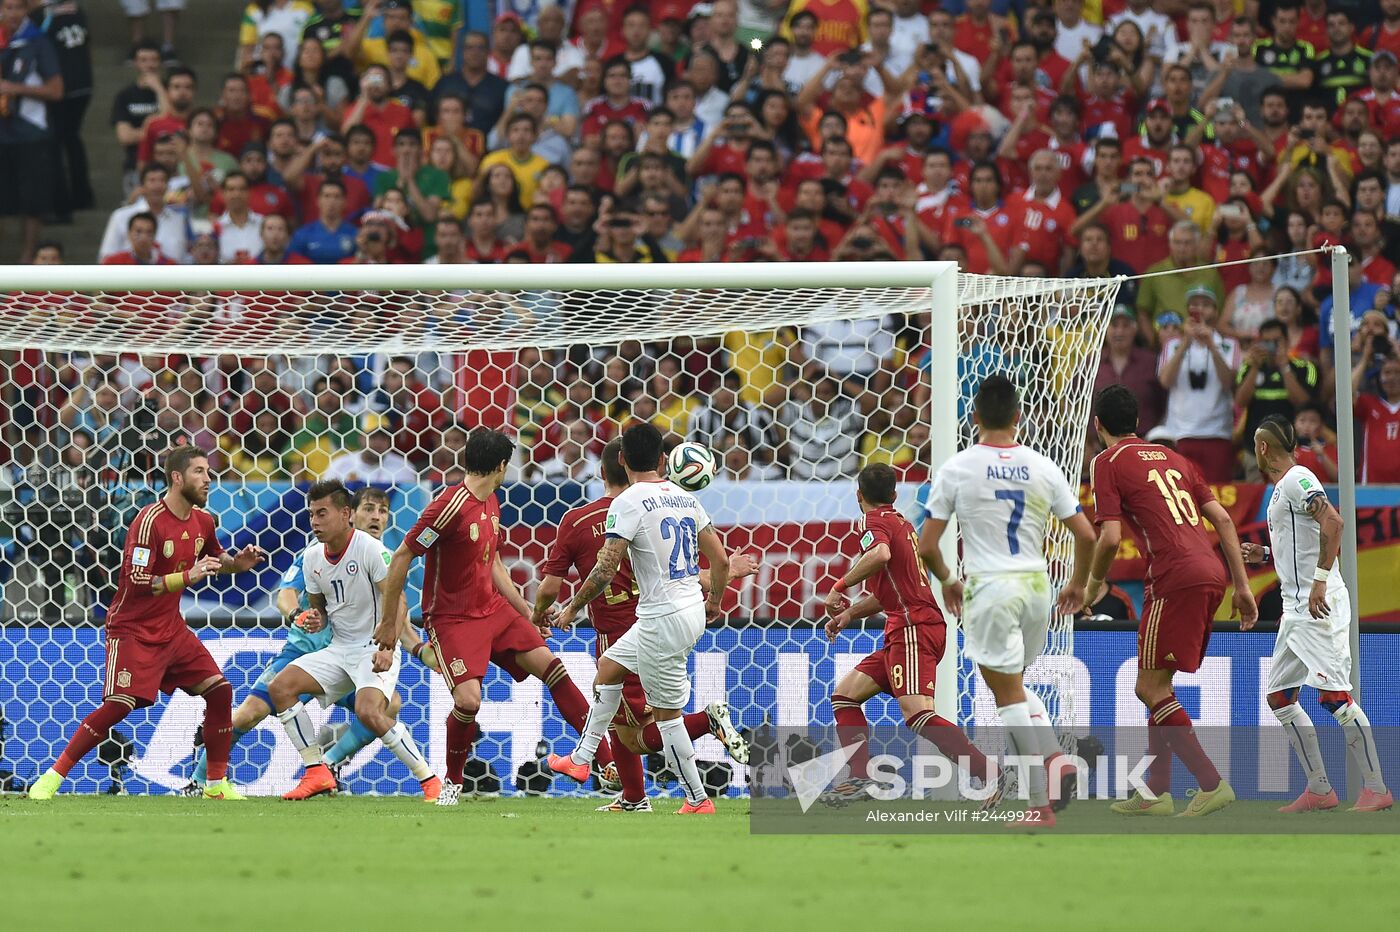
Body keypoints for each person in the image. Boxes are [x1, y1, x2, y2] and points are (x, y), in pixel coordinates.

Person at [377, 428, 619, 807]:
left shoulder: (491, 500)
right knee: (469, 702)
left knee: (553, 668)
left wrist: (527, 612)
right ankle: (452, 782)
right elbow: (403, 557)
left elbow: (491, 563)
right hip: (452, 618)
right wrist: (389, 623)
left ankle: (605, 762)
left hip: (493, 610)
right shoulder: (448, 507)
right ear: (502, 465)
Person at [28, 447, 267, 801]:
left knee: (220, 690)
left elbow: (215, 559)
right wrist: (188, 575)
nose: (207, 478)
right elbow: (138, 579)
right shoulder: (149, 520)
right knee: (120, 705)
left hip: (171, 629)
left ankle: (215, 785)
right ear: (177, 477)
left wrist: (237, 564)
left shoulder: (203, 521)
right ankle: (53, 776)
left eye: (207, 471)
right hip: (132, 629)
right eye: (199, 472)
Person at [532, 437, 754, 812]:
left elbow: (604, 569)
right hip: (682, 611)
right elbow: (720, 559)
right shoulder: (686, 498)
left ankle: (698, 800)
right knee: (608, 669)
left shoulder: (627, 502)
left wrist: (570, 609)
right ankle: (583, 758)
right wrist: (714, 601)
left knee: (665, 720)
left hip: (661, 618)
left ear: (619, 460)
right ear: (664, 460)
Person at [918, 376, 1098, 823]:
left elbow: (927, 545)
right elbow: (1086, 533)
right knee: (1012, 684)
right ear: (1018, 417)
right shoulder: (1043, 466)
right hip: (1038, 588)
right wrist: (1077, 584)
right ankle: (1056, 756)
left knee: (1007, 696)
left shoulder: (957, 468)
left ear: (975, 417)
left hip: (990, 587)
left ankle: (1040, 801)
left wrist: (946, 579)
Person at [184, 486, 436, 793]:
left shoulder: (379, 559)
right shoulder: (316, 554)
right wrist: (296, 616)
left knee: (386, 706)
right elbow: (286, 594)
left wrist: (422, 652)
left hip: (351, 657)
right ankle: (199, 780)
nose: (375, 516)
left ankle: (327, 765)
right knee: (250, 714)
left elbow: (397, 618)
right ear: (351, 514)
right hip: (304, 652)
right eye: (368, 508)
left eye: (382, 511)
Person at [1086, 385, 1257, 817]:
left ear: (1097, 425)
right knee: (1159, 684)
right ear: (1138, 424)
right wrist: (1242, 586)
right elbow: (1220, 519)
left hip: (1173, 575)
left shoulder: (1106, 462)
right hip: (1211, 572)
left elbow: (1108, 538)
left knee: (1149, 687)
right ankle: (1156, 792)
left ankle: (1211, 783)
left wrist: (1090, 588)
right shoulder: (1176, 460)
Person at [814, 462, 995, 807]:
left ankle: (990, 774)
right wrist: (850, 612)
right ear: (895, 495)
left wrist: (839, 586)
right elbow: (889, 592)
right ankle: (859, 777)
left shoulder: (873, 521)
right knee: (845, 696)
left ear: (858, 496)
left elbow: (879, 555)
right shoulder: (903, 524)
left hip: (913, 629)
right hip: (909, 626)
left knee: (918, 715)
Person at [1244, 415, 1393, 813]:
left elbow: (1334, 521)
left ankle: (1376, 788)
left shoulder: (1297, 478)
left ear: (1262, 448)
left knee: (1334, 696)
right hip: (1295, 610)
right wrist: (1266, 555)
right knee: (1279, 697)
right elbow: (1305, 541)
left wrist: (1321, 581)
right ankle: (1320, 789)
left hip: (1317, 605)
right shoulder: (1281, 490)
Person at [269, 480, 441, 802]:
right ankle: (317, 771)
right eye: (311, 515)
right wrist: (313, 617)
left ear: (345, 514)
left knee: (369, 712)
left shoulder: (371, 549)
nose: (315, 522)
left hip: (373, 648)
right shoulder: (312, 558)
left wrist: (389, 646)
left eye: (322, 514)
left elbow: (399, 599)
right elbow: (319, 607)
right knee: (280, 688)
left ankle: (430, 781)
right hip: (339, 649)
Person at [0, 0, 63, 263]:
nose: (12, 13)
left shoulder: (38, 42)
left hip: (30, 132)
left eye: (18, 7)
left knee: (33, 203)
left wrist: (14, 89)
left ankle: (27, 263)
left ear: (27, 10)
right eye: (7, 7)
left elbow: (57, 90)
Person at [1157, 285, 1240, 482]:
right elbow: (1165, 381)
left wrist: (1211, 345)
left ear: (1216, 311)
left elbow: (1228, 382)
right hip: (1179, 433)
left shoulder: (1229, 345)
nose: (1200, 309)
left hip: (1217, 433)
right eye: (1195, 305)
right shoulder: (1173, 345)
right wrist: (1186, 342)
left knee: (1218, 495)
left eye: (1206, 305)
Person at [1355, 355, 1400, 484]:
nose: (1392, 378)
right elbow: (1345, 392)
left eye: (1397, 372)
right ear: (1379, 378)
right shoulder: (1369, 404)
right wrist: (1365, 358)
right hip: (1371, 487)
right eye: (1387, 372)